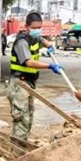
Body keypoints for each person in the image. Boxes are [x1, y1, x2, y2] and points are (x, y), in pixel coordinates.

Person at [8, 11, 61, 141]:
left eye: (39, 28)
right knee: (21, 119)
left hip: (29, 84)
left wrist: (50, 46)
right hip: (19, 84)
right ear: (26, 27)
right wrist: (50, 66)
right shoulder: (21, 42)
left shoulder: (35, 38)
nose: (37, 31)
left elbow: (42, 40)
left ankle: (22, 143)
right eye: (34, 28)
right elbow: (29, 62)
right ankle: (17, 148)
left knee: (29, 117)